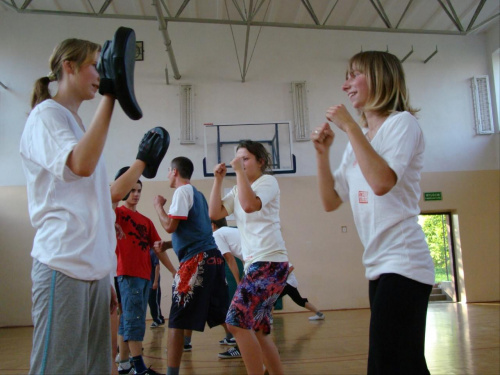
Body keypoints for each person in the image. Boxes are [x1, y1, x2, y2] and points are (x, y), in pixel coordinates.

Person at [19, 38, 153, 375]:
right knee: (60, 369)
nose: (100, 74)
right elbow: (80, 164)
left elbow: (100, 202)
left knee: (96, 368)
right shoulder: (45, 116)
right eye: (95, 65)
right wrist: (112, 93)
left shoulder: (78, 126)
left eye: (103, 67)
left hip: (93, 270)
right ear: (69, 67)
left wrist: (106, 273)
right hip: (62, 265)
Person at [311, 50, 435, 375]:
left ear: (378, 77)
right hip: (378, 265)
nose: (345, 85)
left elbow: (382, 182)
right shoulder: (358, 142)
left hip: (404, 263)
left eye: (353, 75)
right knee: (394, 363)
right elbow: (330, 200)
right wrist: (322, 155)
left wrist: (351, 125)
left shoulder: (402, 124)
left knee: (389, 364)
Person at [209, 140, 289, 375]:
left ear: (260, 161)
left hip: (269, 263)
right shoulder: (237, 189)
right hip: (259, 264)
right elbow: (215, 213)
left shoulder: (267, 182)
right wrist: (218, 180)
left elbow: (249, 205)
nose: (240, 163)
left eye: (245, 159)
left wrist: (237, 173)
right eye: (238, 159)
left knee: (235, 322)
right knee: (259, 333)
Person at [153, 156, 228, 375]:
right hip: (213, 259)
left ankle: (172, 373)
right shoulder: (200, 195)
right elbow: (195, 232)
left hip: (196, 262)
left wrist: (158, 206)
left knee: (176, 320)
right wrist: (169, 245)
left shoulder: (182, 192)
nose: (167, 174)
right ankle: (258, 356)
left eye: (168, 170)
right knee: (224, 315)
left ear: (175, 172)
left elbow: (169, 225)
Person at [115, 177, 174, 375]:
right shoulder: (117, 214)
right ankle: (139, 367)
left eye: (139, 190)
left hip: (144, 276)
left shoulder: (146, 222)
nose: (136, 194)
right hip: (127, 274)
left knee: (127, 321)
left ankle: (124, 365)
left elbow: (158, 249)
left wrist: (174, 271)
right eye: (132, 190)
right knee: (134, 319)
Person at [149, 247, 176, 329]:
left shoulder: (153, 252)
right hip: (147, 281)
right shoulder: (145, 251)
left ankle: (158, 319)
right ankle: (156, 319)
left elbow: (157, 266)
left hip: (153, 281)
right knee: (150, 302)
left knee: (154, 301)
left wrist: (155, 281)